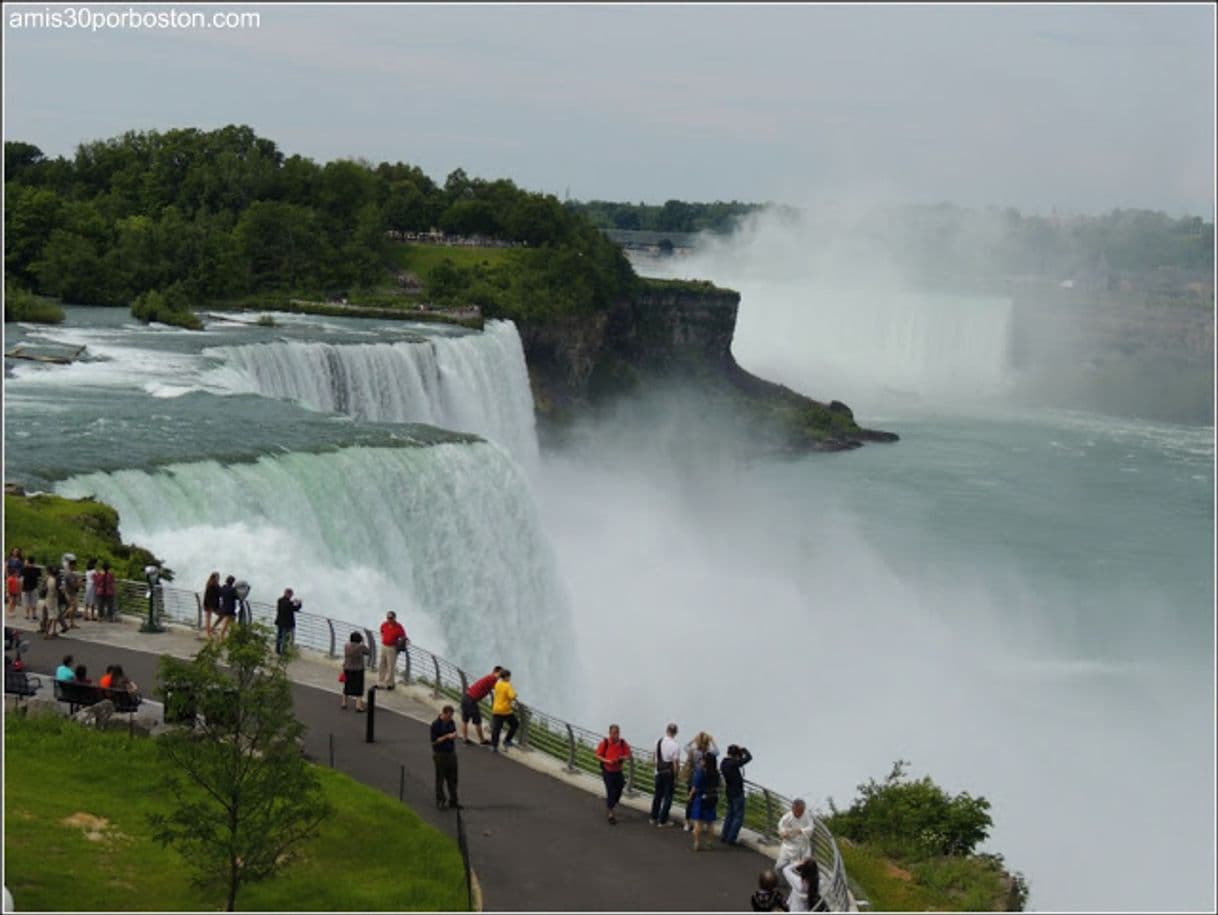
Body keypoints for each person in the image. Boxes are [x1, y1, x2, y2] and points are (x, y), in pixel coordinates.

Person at [595, 724, 632, 825]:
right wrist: (607, 761)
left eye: (617, 733)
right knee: (611, 791)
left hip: (618, 771)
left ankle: (611, 803)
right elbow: (597, 755)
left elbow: (628, 755)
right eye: (614, 733)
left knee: (619, 788)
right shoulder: (605, 743)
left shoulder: (622, 743)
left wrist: (622, 758)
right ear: (610, 733)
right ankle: (610, 814)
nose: (616, 735)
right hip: (608, 772)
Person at [682, 730, 719, 830]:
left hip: (692, 777)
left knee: (690, 800)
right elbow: (717, 752)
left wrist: (693, 740)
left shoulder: (693, 751)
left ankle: (687, 823)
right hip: (704, 780)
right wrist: (712, 741)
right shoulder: (709, 753)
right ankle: (697, 824)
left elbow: (685, 746)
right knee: (699, 802)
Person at [720, 743, 754, 845]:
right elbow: (749, 758)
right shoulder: (734, 763)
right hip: (737, 792)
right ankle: (731, 839)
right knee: (738, 816)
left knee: (729, 814)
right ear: (736, 754)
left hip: (729, 791)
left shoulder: (724, 763)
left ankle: (724, 835)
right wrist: (744, 750)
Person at [430, 704, 461, 809]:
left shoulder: (451, 722)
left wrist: (454, 735)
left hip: (451, 753)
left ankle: (453, 800)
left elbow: (454, 732)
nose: (450, 718)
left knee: (453, 778)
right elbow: (434, 741)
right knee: (440, 778)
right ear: (444, 713)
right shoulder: (435, 725)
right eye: (449, 715)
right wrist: (447, 736)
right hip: (440, 754)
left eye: (451, 716)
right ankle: (440, 800)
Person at [688, 751, 721, 851]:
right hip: (712, 797)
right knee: (710, 823)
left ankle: (697, 842)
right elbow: (719, 785)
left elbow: (695, 785)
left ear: (705, 761)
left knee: (698, 822)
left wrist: (690, 796)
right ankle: (709, 843)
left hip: (701, 797)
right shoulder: (716, 773)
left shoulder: (700, 772)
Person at [461, 665, 501, 745]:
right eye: (500, 674)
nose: (500, 677)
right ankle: (482, 740)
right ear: (495, 672)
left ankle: (465, 738)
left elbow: (493, 687)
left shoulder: (489, 678)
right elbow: (497, 687)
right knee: (478, 722)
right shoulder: (492, 678)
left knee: (465, 720)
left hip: (466, 696)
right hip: (471, 701)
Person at [650, 722, 681, 826]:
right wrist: (676, 778)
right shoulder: (675, 746)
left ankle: (653, 817)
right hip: (669, 775)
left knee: (657, 795)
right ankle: (662, 820)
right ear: (675, 732)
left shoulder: (658, 742)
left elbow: (654, 758)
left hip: (658, 772)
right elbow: (675, 764)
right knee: (668, 797)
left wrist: (656, 769)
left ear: (667, 730)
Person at [775, 799, 815, 874]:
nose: (798, 814)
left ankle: (798, 883)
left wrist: (801, 830)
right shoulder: (787, 816)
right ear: (793, 809)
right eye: (797, 811)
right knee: (780, 865)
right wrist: (783, 833)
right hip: (788, 845)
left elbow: (811, 828)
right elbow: (780, 826)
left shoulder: (807, 815)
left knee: (802, 867)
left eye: (801, 812)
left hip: (803, 845)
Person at [489, 668, 519, 753]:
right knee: (515, 724)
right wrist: (516, 694)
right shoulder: (507, 685)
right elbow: (512, 696)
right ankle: (507, 740)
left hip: (496, 709)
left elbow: (494, 688)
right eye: (509, 676)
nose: (510, 678)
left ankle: (493, 746)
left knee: (496, 729)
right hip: (505, 711)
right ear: (506, 677)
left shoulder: (498, 683)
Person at [377, 610, 407, 689]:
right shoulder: (384, 624)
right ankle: (380, 682)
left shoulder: (399, 627)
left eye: (390, 618)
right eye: (388, 618)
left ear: (394, 618)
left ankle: (389, 684)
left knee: (391, 666)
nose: (389, 619)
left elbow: (403, 636)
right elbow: (382, 631)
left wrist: (399, 644)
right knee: (382, 665)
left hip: (392, 648)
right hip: (384, 646)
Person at [341, 631, 370, 711]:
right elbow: (368, 652)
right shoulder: (360, 647)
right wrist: (363, 643)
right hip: (358, 669)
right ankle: (358, 706)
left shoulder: (346, 646)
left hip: (347, 668)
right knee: (359, 688)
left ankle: (344, 703)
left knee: (347, 686)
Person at [274, 587, 301, 656]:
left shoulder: (286, 601)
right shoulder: (283, 601)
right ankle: (280, 651)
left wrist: (299, 604)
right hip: (284, 623)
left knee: (283, 638)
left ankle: (280, 651)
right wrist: (293, 603)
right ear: (287, 594)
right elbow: (285, 608)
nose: (291, 596)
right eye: (290, 594)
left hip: (285, 623)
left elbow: (295, 609)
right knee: (282, 638)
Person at [215, 575, 238, 640]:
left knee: (233, 622)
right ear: (233, 582)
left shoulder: (224, 587)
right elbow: (237, 597)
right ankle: (221, 638)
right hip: (230, 609)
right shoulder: (233, 589)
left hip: (224, 607)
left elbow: (220, 594)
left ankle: (233, 636)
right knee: (226, 625)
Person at [61, 555, 80, 629]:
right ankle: (62, 617)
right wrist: (79, 582)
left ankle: (72, 623)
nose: (75, 567)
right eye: (74, 565)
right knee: (73, 607)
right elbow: (73, 585)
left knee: (73, 608)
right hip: (71, 593)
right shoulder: (70, 574)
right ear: (72, 565)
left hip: (71, 593)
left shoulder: (69, 573)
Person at [20, 555, 41, 622]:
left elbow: (21, 580)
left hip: (25, 588)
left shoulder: (23, 569)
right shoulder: (37, 569)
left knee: (26, 601)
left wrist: (20, 588)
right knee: (33, 602)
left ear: (28, 561)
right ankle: (34, 615)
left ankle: (27, 615)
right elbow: (39, 578)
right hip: (34, 587)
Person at [202, 571, 221, 639]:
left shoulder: (212, 584)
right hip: (211, 604)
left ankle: (210, 631)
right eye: (218, 577)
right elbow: (209, 596)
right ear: (214, 577)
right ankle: (209, 633)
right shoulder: (212, 585)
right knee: (208, 619)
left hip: (209, 604)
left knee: (208, 619)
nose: (219, 578)